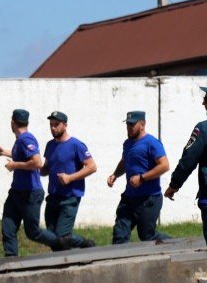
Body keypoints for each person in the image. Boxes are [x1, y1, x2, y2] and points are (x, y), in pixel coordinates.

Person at [0, 109, 71, 257]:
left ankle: (62, 242)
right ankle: (11, 260)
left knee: (33, 232)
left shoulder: (26, 139)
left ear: (12, 123)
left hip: (30, 194)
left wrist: (14, 165)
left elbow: (37, 162)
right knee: (8, 227)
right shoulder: (21, 139)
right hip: (16, 192)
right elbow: (22, 155)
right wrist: (4, 152)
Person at [107, 111, 171, 244]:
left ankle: (177, 244)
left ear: (142, 124)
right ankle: (118, 262)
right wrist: (115, 175)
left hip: (149, 199)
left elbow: (164, 166)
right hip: (129, 198)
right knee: (119, 235)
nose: (129, 128)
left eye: (132, 125)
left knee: (147, 237)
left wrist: (142, 178)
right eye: (128, 125)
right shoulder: (127, 143)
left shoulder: (152, 143)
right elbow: (125, 161)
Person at [40, 111, 97, 249]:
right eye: (51, 125)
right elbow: (46, 168)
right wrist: (35, 169)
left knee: (62, 237)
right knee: (52, 237)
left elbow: (92, 167)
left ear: (65, 125)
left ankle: (77, 249)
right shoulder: (50, 145)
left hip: (70, 198)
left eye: (57, 125)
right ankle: (82, 245)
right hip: (53, 196)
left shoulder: (76, 145)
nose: (53, 128)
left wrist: (70, 178)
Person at [165, 87, 207, 245]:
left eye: (206, 99)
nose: (203, 103)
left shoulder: (203, 129)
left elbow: (188, 160)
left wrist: (174, 184)